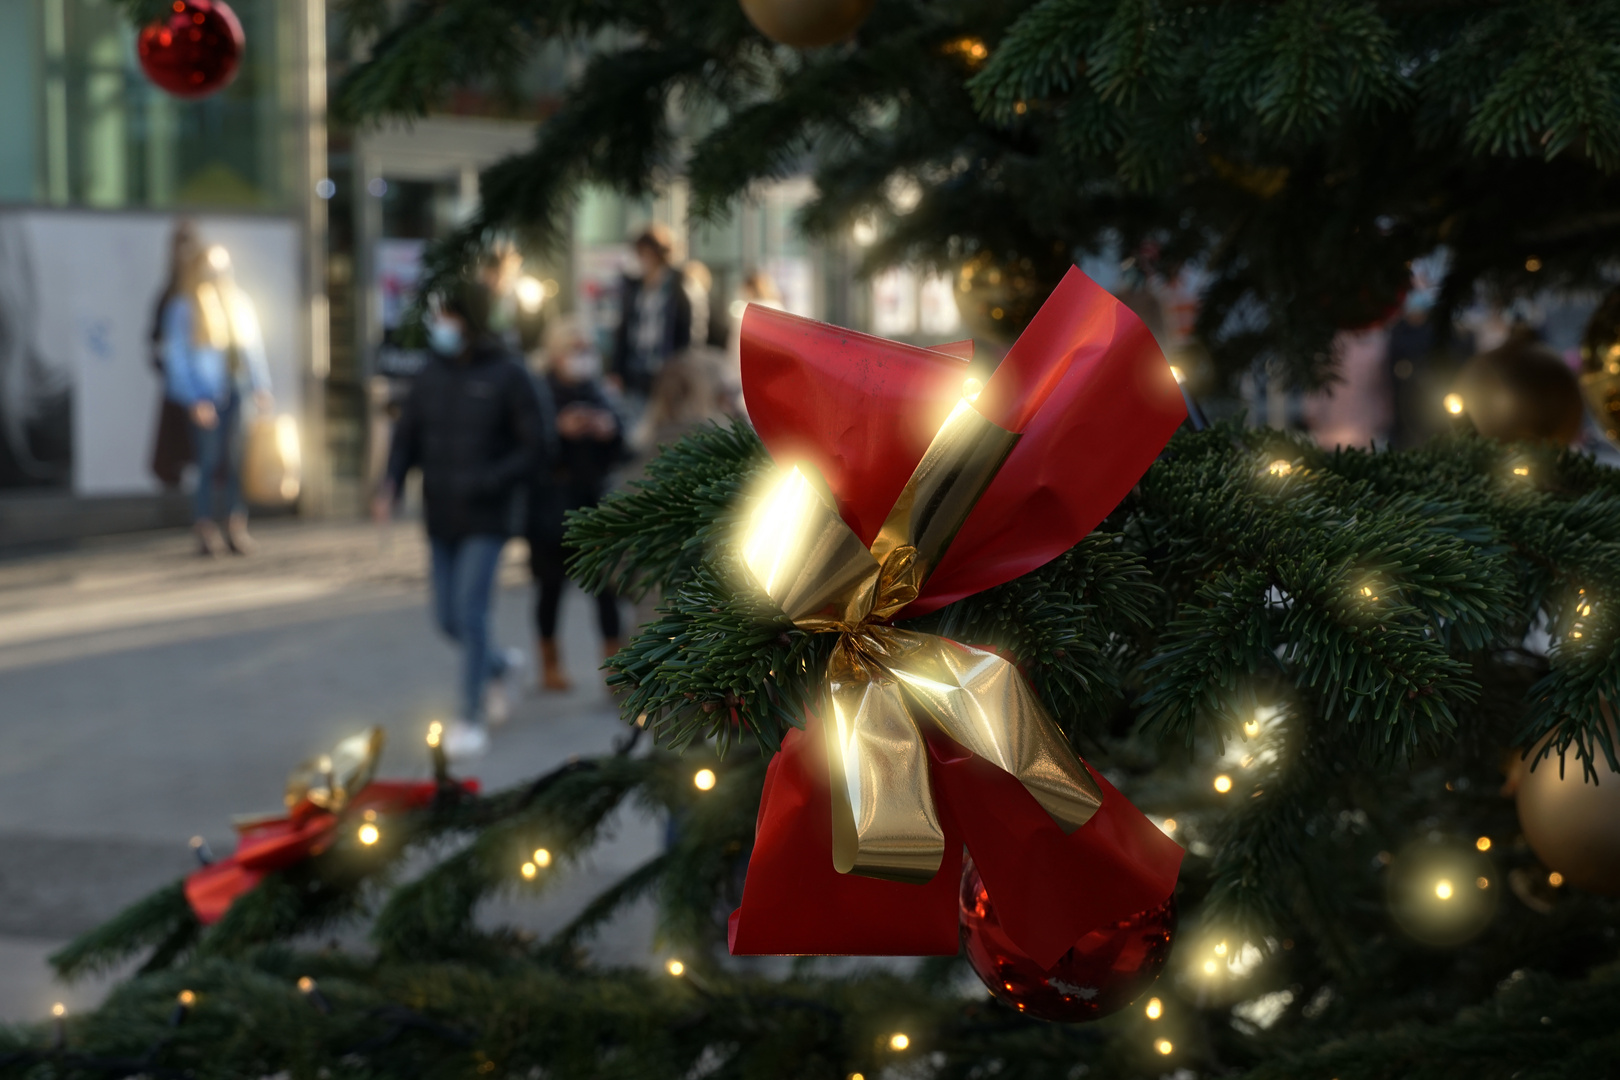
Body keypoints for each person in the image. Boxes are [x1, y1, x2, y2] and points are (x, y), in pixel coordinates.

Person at [373, 277, 554, 758]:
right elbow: (406, 435)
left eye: (446, 316)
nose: (439, 325)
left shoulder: (508, 375)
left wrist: (492, 480)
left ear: (467, 321)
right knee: (448, 618)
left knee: (471, 613)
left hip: (487, 517)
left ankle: (470, 717)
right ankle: (500, 666)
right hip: (440, 514)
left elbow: (536, 444)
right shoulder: (431, 373)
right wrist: (390, 482)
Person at [527, 317, 626, 691]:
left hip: (594, 503)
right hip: (552, 505)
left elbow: (624, 444)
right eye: (574, 349)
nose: (581, 357)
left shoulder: (599, 392)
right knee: (550, 588)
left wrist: (608, 429)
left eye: (586, 350)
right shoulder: (538, 392)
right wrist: (556, 429)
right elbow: (527, 446)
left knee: (606, 589)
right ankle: (549, 664)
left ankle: (615, 669)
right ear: (555, 354)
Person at [161, 244, 272, 556]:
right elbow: (177, 359)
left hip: (237, 391)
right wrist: (194, 398)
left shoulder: (238, 302)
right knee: (208, 463)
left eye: (223, 269)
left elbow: (253, 348)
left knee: (236, 461)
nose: (218, 275)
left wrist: (261, 385)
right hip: (207, 395)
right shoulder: (184, 308)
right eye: (212, 269)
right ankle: (205, 528)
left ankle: (236, 525)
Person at [609, 224, 691, 403]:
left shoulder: (678, 287)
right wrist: (616, 369)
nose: (641, 260)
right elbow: (624, 330)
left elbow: (687, 331)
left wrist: (683, 370)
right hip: (636, 368)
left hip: (666, 369)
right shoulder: (635, 288)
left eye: (645, 254)